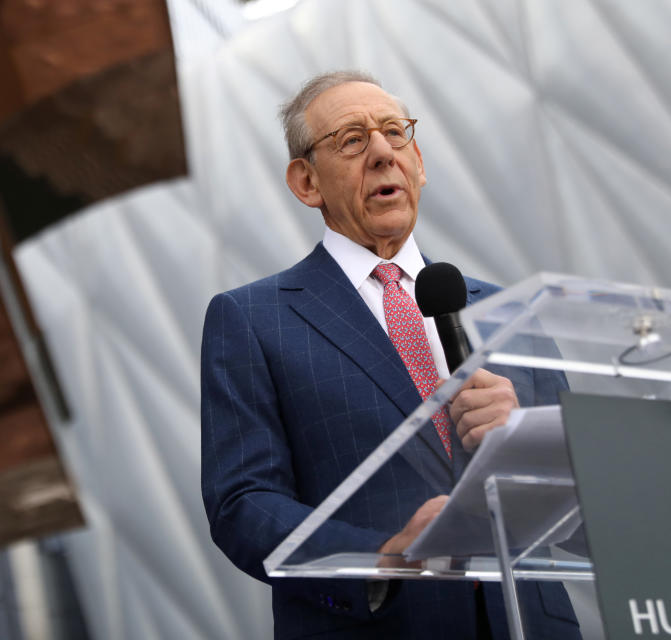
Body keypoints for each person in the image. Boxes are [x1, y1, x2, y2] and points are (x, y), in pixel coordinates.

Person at [201, 70, 580, 639]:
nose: (381, 152)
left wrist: (522, 433)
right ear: (306, 182)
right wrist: (383, 556)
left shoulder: (508, 312)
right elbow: (244, 504)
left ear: (418, 162)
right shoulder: (253, 319)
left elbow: (588, 488)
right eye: (351, 140)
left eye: (394, 133)